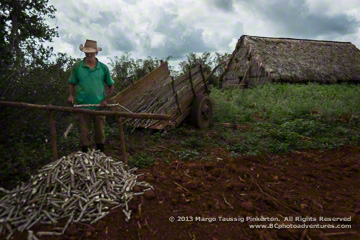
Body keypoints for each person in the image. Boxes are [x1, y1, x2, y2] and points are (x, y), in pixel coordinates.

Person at [67, 39, 115, 153]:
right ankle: (85, 157)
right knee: (84, 133)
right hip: (82, 106)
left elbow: (111, 86)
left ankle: (100, 156)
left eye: (91, 53)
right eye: (87, 53)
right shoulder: (77, 66)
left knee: (100, 132)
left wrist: (105, 100)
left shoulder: (103, 68)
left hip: (99, 107)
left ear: (96, 53)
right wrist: (71, 96)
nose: (89, 55)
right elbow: (72, 83)